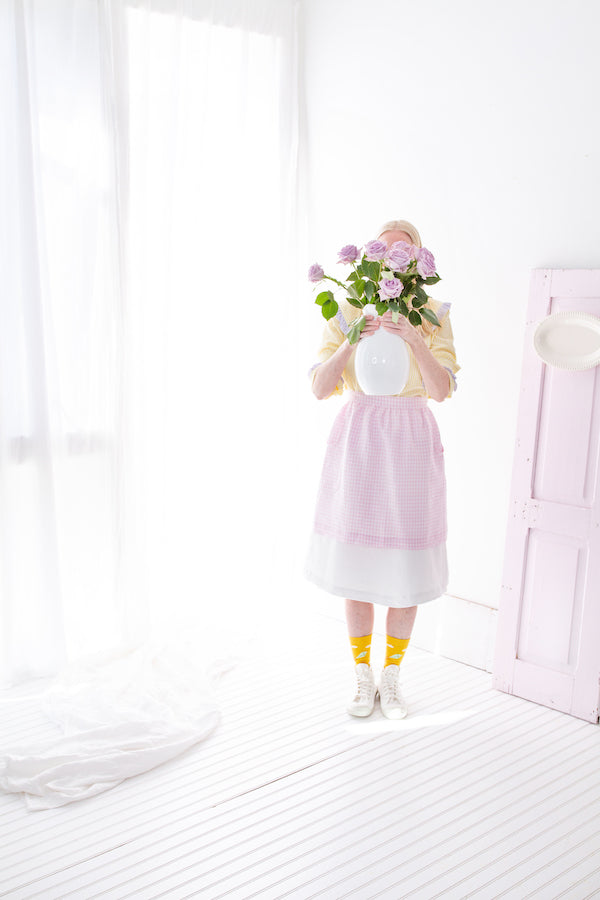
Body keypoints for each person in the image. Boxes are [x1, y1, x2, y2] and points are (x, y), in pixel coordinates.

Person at [305, 219, 460, 719]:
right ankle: (361, 679)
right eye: (387, 249)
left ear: (418, 260)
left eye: (406, 250)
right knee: (357, 567)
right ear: (371, 257)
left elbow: (441, 390)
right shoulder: (349, 307)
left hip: (411, 440)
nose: (396, 257)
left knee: (406, 568)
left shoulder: (434, 313)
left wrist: (415, 338)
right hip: (360, 439)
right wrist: (351, 339)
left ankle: (391, 679)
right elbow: (318, 386)